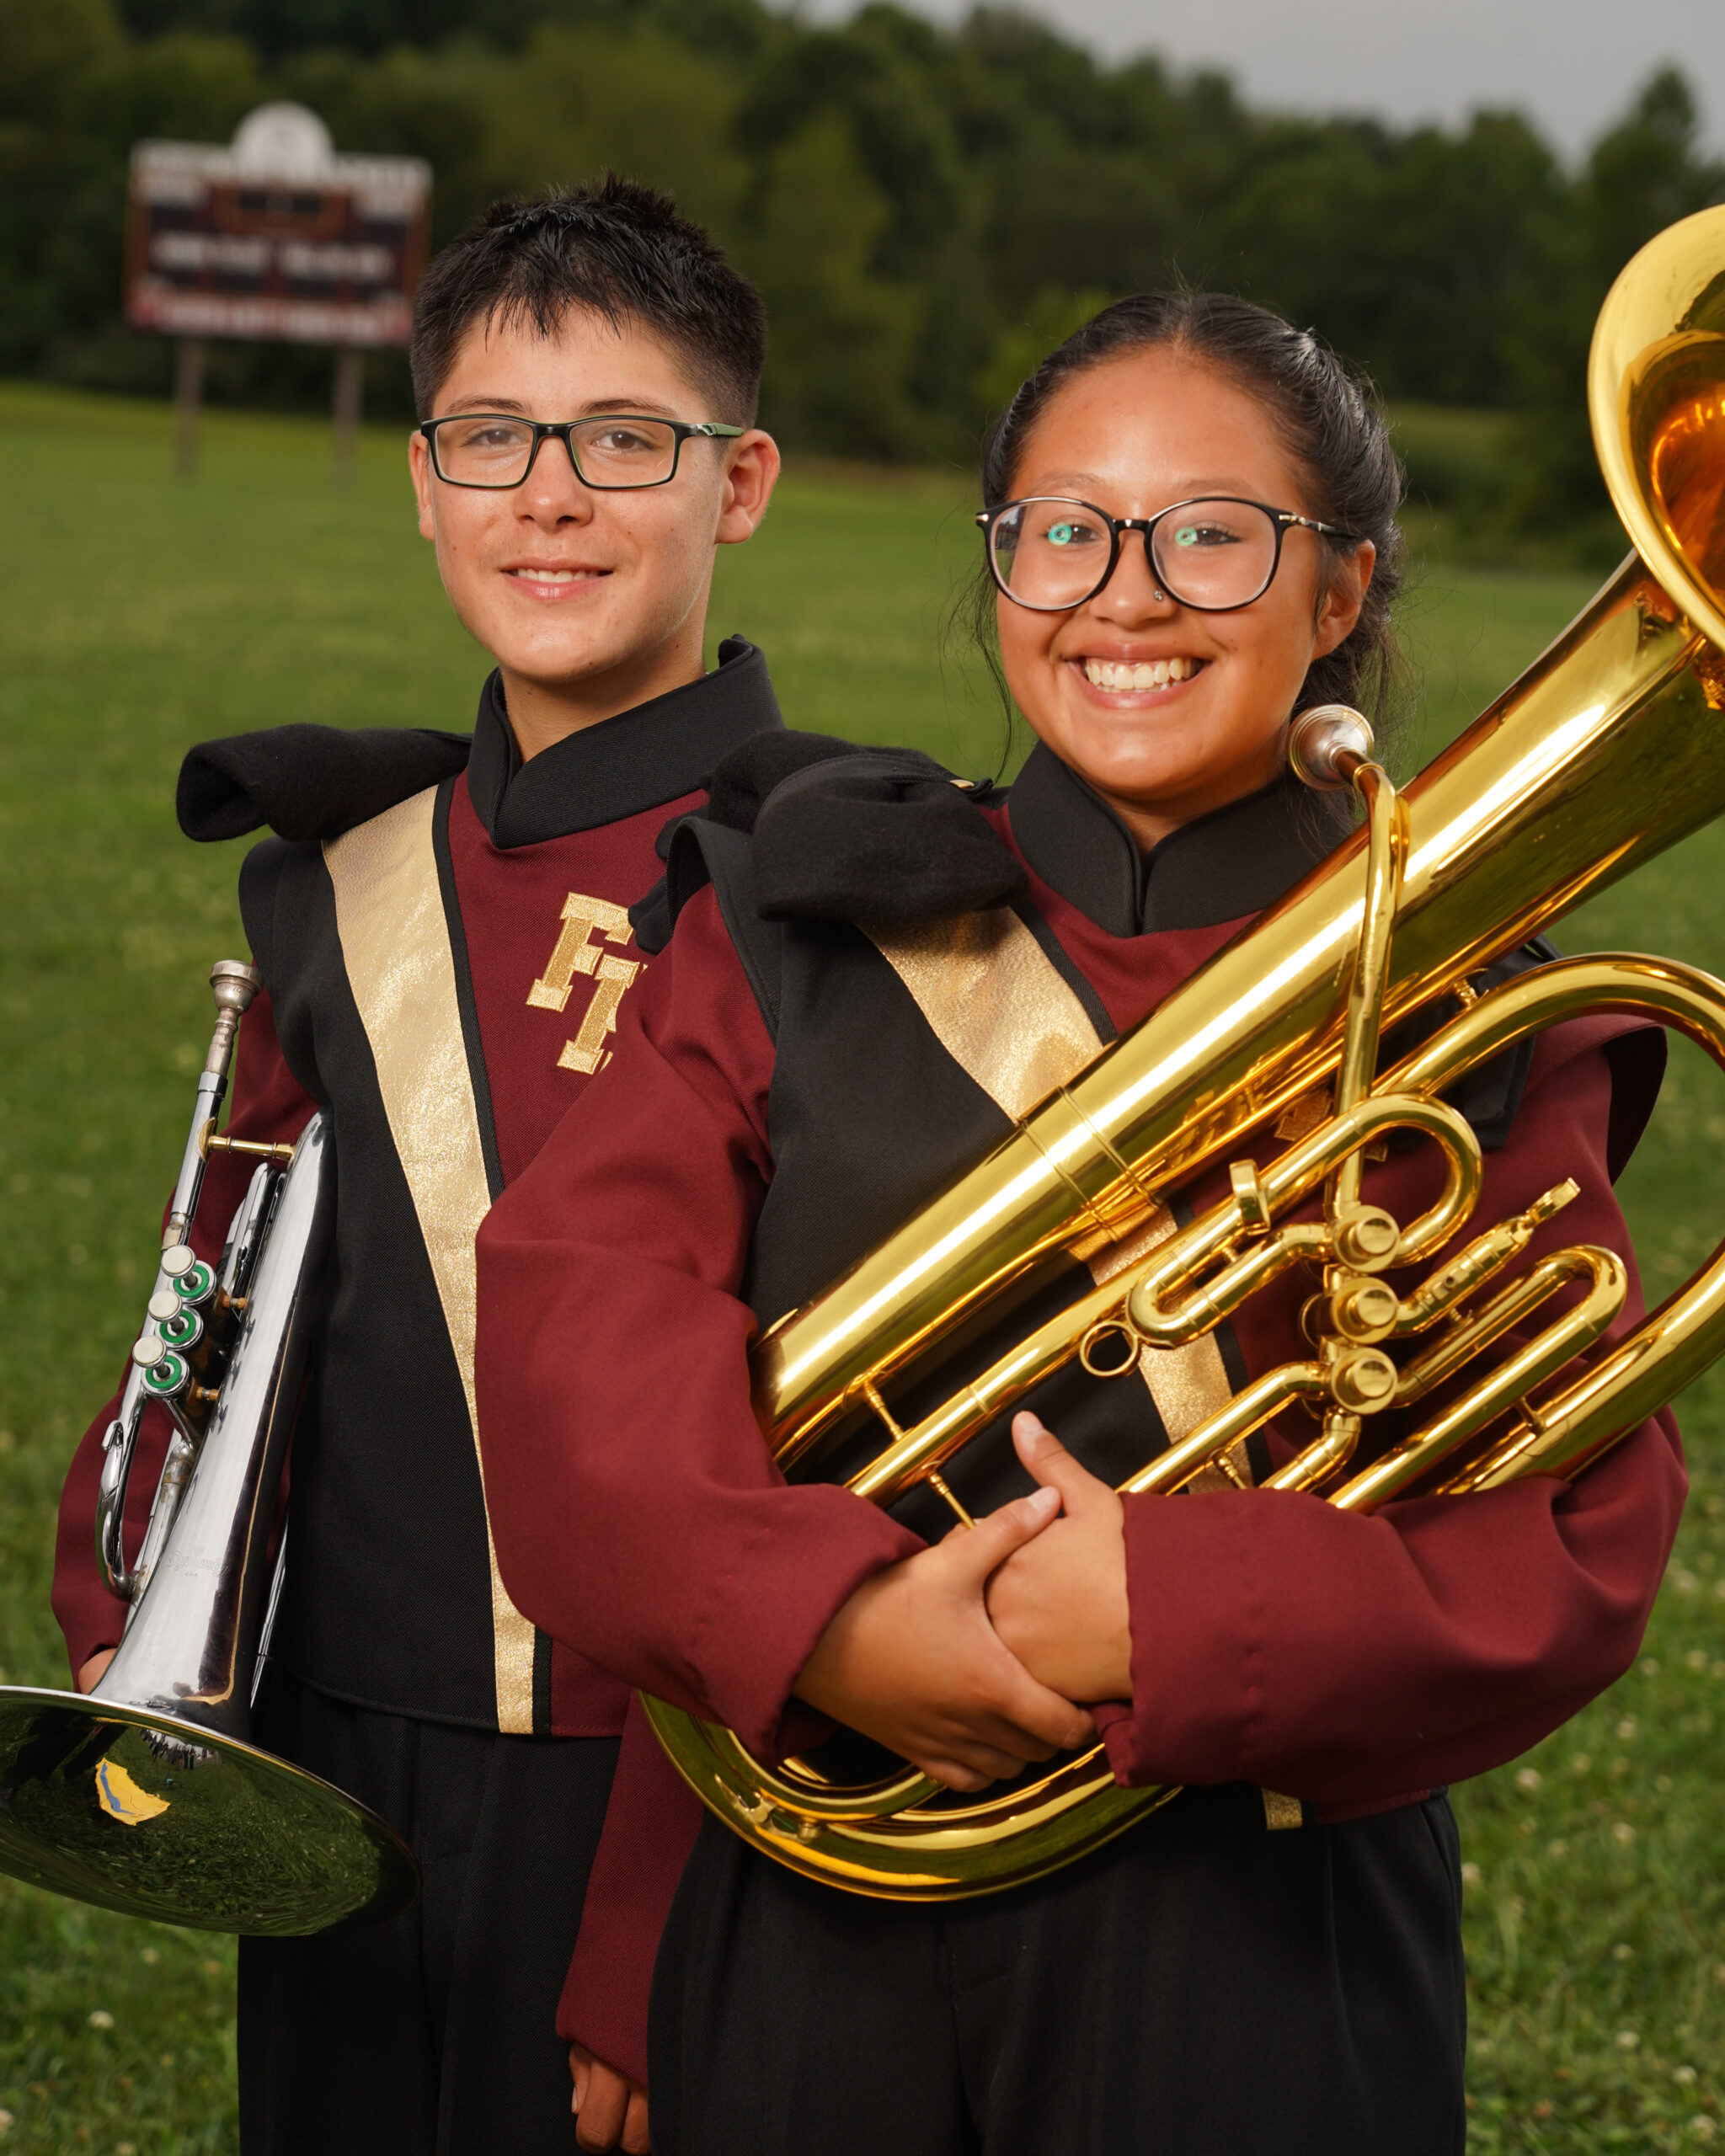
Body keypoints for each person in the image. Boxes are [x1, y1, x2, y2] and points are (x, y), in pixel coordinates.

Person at [473, 292, 1685, 2154]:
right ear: (1001, 565)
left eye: (1212, 533)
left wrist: (1175, 1608)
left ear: (1341, 590)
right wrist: (828, 1620)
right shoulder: (799, 919)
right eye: (1064, 530)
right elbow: (579, 1350)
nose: (1125, 596)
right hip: (805, 1909)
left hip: (1256, 1938)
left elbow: (1572, 1540)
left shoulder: (1476, 1012)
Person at [51, 176, 782, 2156]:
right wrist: (133, 1585)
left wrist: (662, 1906)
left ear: (737, 483)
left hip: (657, 1774)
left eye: (621, 439)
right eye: (490, 438)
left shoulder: (817, 886)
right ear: (423, 481)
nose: (547, 496)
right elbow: (221, 1281)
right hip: (330, 1743)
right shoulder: (336, 866)